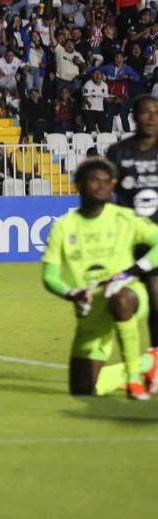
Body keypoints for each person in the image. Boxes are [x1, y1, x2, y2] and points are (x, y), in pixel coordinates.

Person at [42, 157, 158, 400]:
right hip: (90, 310)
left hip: (129, 296)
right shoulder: (64, 227)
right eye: (95, 180)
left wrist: (130, 273)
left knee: (121, 297)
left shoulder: (123, 218)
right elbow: (49, 276)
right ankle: (148, 363)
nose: (102, 186)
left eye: (107, 182)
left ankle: (134, 379)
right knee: (83, 392)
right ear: (79, 184)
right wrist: (71, 293)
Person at [106, 97, 158, 348]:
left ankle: (156, 359)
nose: (151, 117)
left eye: (156, 113)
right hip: (124, 238)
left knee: (156, 294)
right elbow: (104, 192)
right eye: (145, 112)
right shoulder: (118, 152)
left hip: (154, 240)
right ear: (134, 116)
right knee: (114, 300)